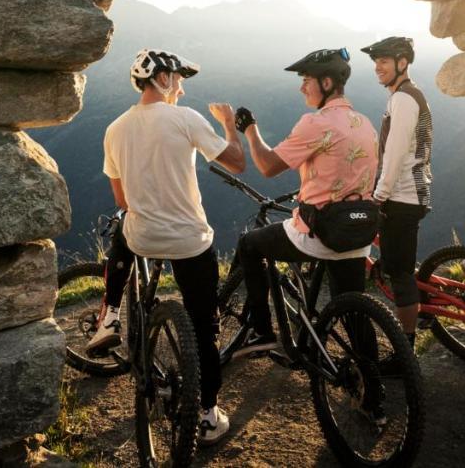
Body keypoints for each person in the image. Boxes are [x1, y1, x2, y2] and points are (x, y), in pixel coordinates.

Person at [87, 48, 245, 445]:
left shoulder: (115, 128)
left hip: (142, 236)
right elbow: (237, 162)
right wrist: (228, 125)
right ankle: (208, 416)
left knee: (124, 225)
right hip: (190, 241)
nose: (182, 89)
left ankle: (111, 313)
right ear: (162, 79)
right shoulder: (186, 119)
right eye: (179, 80)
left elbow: (122, 200)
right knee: (205, 326)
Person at [232, 47, 379, 355]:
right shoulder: (365, 122)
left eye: (306, 80)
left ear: (326, 83)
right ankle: (370, 382)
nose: (302, 87)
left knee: (249, 244)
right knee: (353, 311)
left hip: (320, 233)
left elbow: (269, 166)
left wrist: (250, 130)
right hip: (358, 233)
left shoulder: (316, 123)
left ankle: (262, 331)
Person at [361, 36, 432, 350]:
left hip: (402, 197)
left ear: (402, 63)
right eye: (376, 61)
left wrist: (379, 196)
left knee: (400, 275)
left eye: (384, 61)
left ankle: (406, 350)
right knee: (398, 262)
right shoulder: (404, 95)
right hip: (406, 193)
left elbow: (395, 153)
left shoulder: (403, 99)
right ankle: (419, 305)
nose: (378, 67)